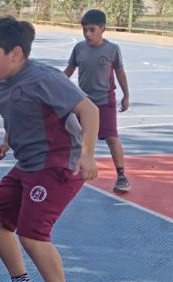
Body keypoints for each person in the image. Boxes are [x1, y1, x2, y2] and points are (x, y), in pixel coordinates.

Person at [0, 16, 99, 282]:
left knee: (33, 233)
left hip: (58, 165)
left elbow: (89, 110)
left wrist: (87, 153)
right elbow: (18, 114)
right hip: (29, 164)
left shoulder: (43, 77)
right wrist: (7, 140)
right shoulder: (5, 84)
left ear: (15, 53)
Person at [63, 9, 130, 194]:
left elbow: (120, 73)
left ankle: (122, 175)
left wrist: (126, 95)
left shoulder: (112, 49)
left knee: (111, 137)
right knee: (71, 135)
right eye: (85, 29)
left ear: (103, 28)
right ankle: (69, 169)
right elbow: (68, 71)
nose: (87, 34)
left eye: (92, 30)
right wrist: (53, 86)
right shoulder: (79, 48)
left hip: (104, 101)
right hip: (82, 102)